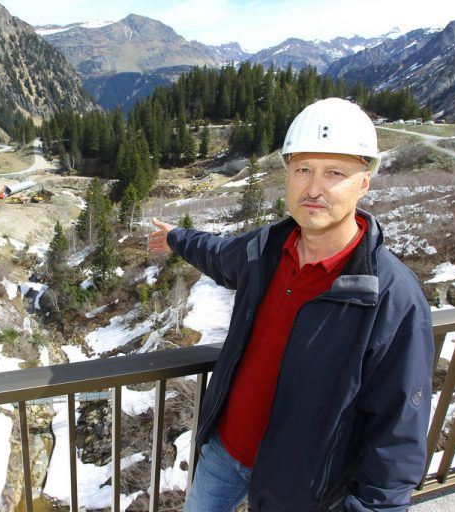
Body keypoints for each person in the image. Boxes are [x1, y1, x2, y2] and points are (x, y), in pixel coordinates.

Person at [148, 98, 434, 512]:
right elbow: (216, 252)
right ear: (287, 176)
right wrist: (176, 237)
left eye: (335, 172)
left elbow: (397, 434)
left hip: (300, 487)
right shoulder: (264, 249)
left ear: (364, 182)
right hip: (225, 452)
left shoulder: (392, 298)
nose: (314, 188)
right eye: (303, 169)